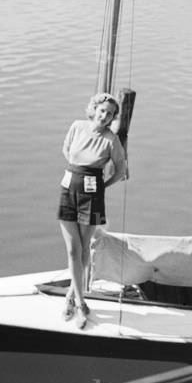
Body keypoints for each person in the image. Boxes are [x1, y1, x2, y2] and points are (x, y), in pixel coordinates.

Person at [58, 93, 127, 327]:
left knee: (83, 248)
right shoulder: (77, 127)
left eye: (109, 113)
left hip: (92, 195)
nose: (104, 116)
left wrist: (102, 185)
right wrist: (78, 172)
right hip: (69, 190)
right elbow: (67, 150)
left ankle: (76, 300)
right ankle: (75, 295)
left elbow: (120, 169)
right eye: (102, 110)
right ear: (94, 109)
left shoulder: (111, 140)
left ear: (112, 118)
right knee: (72, 250)